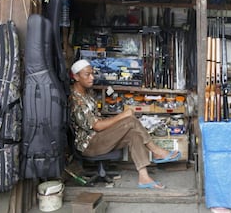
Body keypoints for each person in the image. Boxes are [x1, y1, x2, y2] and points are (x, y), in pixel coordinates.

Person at [68, 59, 181, 189]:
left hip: (98, 138)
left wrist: (120, 118)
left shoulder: (87, 93)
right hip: (89, 144)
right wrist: (122, 116)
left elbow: (98, 120)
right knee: (130, 120)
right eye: (87, 74)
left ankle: (144, 177)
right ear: (76, 77)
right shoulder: (76, 99)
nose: (92, 77)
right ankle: (156, 151)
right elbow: (97, 126)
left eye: (92, 73)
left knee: (134, 134)